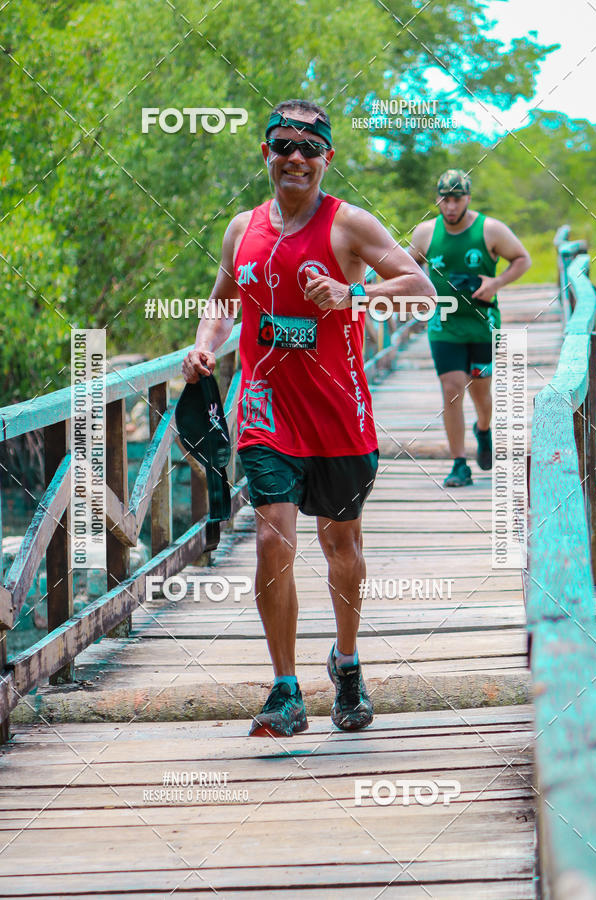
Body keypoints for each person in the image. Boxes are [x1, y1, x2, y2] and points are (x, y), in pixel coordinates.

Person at [182, 99, 434, 737]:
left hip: (338, 415)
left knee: (341, 545)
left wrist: (356, 294)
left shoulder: (350, 225)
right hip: (266, 409)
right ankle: (285, 689)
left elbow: (421, 289)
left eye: (309, 148)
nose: (295, 157)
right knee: (272, 538)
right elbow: (221, 301)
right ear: (265, 153)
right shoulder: (241, 228)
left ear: (327, 158)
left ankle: (346, 663)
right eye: (283, 146)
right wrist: (205, 343)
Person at [409, 169, 531, 487]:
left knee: (480, 393)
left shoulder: (489, 229)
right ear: (437, 198)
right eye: (445, 199)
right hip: (443, 324)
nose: (450, 206)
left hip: (482, 323)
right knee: (451, 389)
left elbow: (522, 259)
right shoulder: (424, 233)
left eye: (457, 199)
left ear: (468, 199)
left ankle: (484, 429)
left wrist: (498, 282)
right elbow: (405, 268)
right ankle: (458, 463)